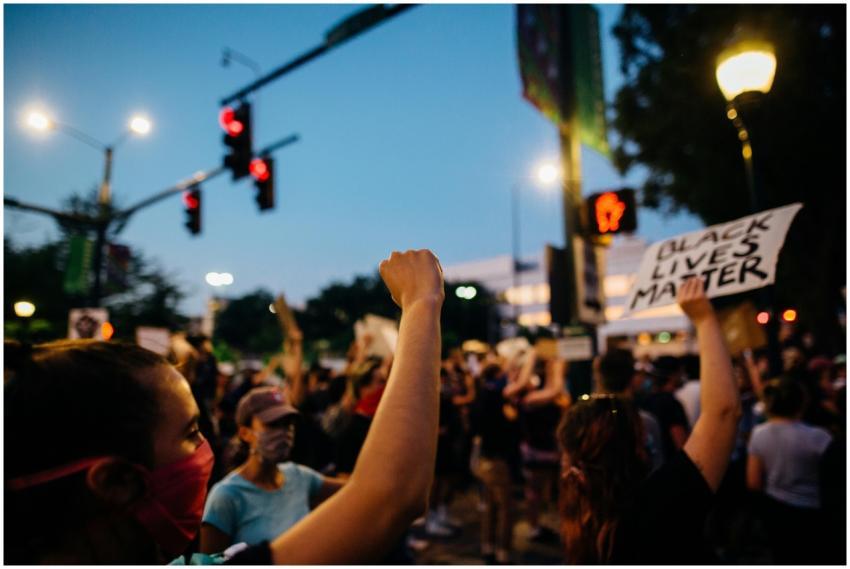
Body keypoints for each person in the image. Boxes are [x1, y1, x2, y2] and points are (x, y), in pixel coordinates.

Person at [4, 248, 445, 564]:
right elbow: (390, 497)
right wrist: (421, 303)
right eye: (190, 433)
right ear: (116, 481)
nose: (205, 451)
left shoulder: (295, 481)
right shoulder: (228, 502)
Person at [558, 277, 740, 564]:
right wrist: (704, 318)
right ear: (641, 446)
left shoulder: (579, 520)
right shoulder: (661, 504)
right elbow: (724, 412)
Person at [199, 387, 346, 553]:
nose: (283, 432)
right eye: (273, 424)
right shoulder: (226, 496)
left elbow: (356, 491)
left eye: (288, 424)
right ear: (245, 433)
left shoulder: (299, 477)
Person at [746, 378, 833, 563]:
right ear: (802, 401)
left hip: (775, 509)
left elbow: (753, 481)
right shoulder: (819, 436)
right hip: (812, 510)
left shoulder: (759, 433)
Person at [471, 363, 521, 564]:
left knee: (491, 506)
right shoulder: (495, 395)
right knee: (506, 508)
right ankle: (502, 550)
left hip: (485, 458)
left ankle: (488, 546)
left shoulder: (483, 394)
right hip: (497, 461)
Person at [593, 348, 664, 470]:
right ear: (632, 378)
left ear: (599, 377)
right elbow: (656, 466)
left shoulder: (586, 420)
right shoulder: (644, 421)